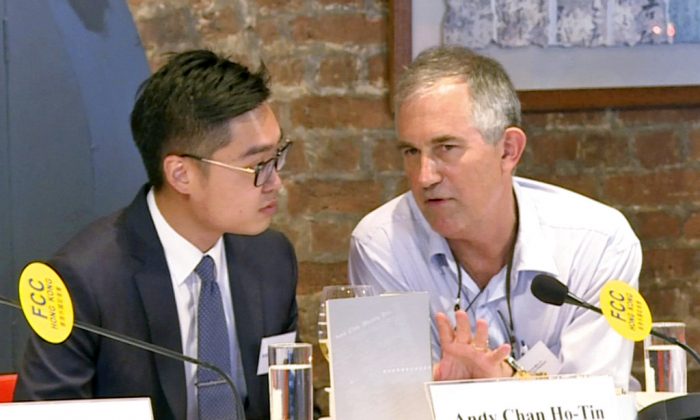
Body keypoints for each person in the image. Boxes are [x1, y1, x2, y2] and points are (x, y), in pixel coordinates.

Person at [15, 50, 298, 420]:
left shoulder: (272, 258)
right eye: (257, 166)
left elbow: (292, 402)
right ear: (181, 174)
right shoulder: (84, 281)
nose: (275, 182)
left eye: (278, 157)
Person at [348, 45, 641, 389]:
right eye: (411, 151)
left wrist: (505, 386)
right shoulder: (382, 245)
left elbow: (598, 400)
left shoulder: (598, 243)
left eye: (446, 148)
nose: (425, 177)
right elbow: (390, 400)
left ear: (508, 150)